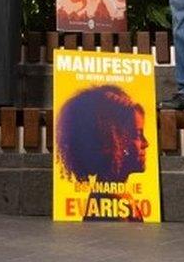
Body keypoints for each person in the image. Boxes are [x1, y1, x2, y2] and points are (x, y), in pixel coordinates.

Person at [55, 85, 149, 222]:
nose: (146, 143)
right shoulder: (110, 207)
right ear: (110, 141)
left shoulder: (116, 197)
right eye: (137, 134)